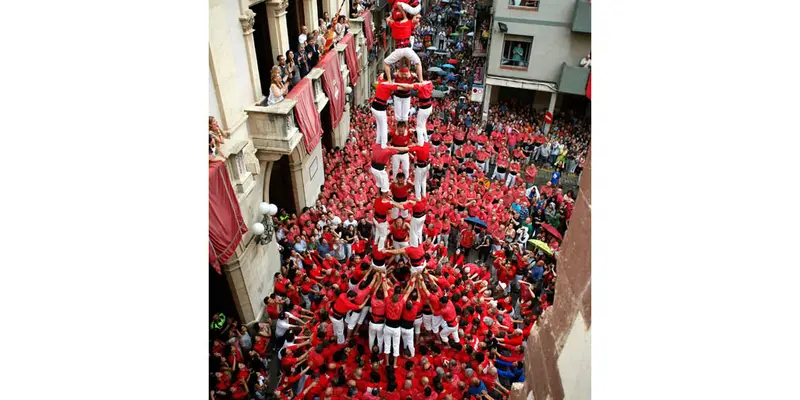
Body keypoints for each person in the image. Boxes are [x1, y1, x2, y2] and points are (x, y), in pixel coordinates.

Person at [383, 7, 424, 82]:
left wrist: (392, 13)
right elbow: (415, 21)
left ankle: (389, 81)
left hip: (398, 50)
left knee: (386, 62)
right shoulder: (408, 22)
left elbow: (387, 19)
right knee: (418, 63)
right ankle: (421, 80)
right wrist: (403, 10)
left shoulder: (393, 24)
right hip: (407, 49)